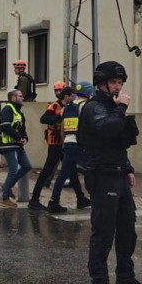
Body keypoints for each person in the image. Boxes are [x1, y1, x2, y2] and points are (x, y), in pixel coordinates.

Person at [77, 61, 142, 284]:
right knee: (103, 232)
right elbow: (107, 129)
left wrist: (128, 168)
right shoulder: (95, 107)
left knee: (128, 230)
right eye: (113, 82)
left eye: (120, 82)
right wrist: (121, 108)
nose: (118, 87)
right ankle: (100, 283)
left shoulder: (113, 107)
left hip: (119, 174)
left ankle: (125, 279)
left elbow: (118, 143)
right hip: (102, 176)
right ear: (101, 84)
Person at [45, 83, 92, 214]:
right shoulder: (86, 106)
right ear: (89, 93)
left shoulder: (66, 108)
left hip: (68, 143)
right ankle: (99, 199)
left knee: (62, 175)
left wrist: (64, 143)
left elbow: (63, 128)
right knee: (92, 170)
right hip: (80, 144)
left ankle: (54, 202)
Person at [28, 80, 69, 210]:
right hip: (55, 142)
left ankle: (80, 197)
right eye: (56, 90)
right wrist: (59, 117)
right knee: (48, 169)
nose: (58, 92)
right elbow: (44, 119)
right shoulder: (54, 106)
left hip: (65, 141)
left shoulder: (68, 106)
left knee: (71, 169)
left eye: (60, 90)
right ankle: (34, 199)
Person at [0, 88, 32, 205]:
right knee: (13, 170)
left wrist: (25, 138)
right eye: (20, 96)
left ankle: (7, 186)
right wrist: (18, 138)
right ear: (13, 98)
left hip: (17, 145)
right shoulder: (7, 109)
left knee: (26, 166)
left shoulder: (19, 112)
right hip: (7, 144)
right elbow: (5, 126)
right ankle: (5, 197)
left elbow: (22, 128)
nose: (22, 98)